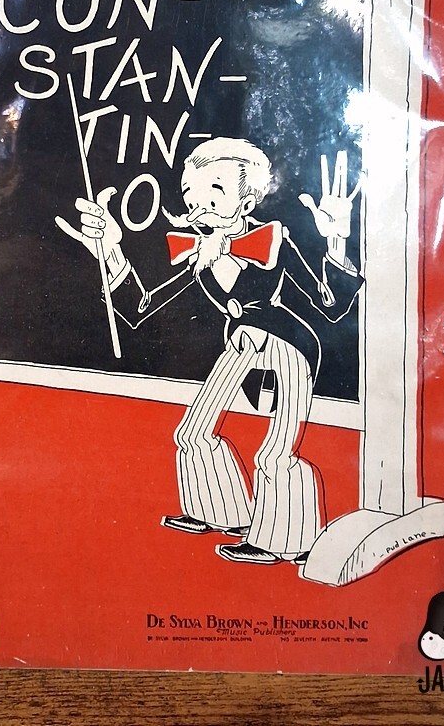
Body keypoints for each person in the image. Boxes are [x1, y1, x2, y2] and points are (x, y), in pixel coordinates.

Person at [57, 138, 363, 564]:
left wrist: (337, 242)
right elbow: (140, 308)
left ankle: (287, 540)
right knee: (191, 433)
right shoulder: (198, 252)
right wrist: (110, 250)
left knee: (275, 452)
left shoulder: (273, 240)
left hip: (288, 343)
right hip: (241, 343)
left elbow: (330, 306)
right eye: (191, 191)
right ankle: (222, 512)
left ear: (247, 201)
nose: (199, 202)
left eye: (215, 190)